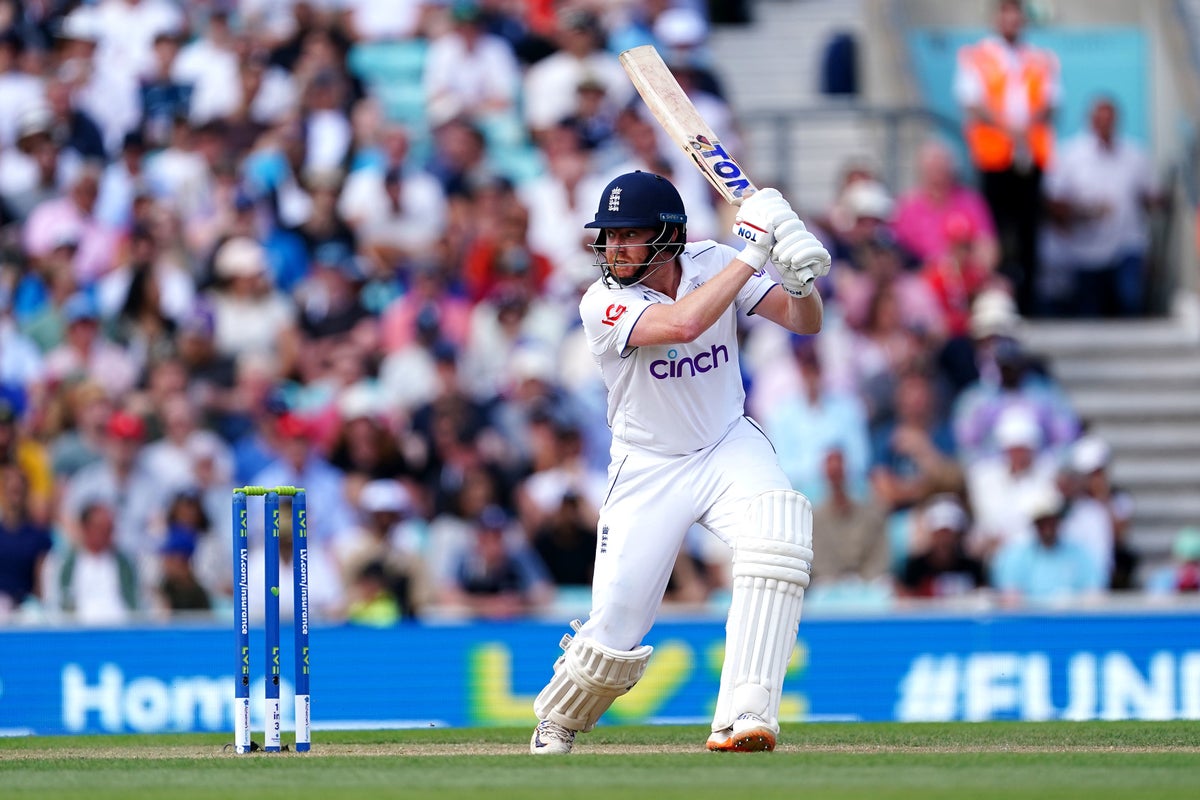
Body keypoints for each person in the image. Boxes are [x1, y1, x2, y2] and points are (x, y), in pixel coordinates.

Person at [527, 171, 831, 755]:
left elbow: (805, 323)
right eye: (608, 237)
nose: (613, 249)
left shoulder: (714, 259)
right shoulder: (601, 302)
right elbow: (683, 324)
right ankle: (558, 718)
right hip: (648, 465)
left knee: (779, 535)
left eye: (629, 236)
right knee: (616, 628)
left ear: (668, 238)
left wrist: (797, 280)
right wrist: (757, 250)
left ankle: (745, 712)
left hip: (726, 444)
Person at [954, 0, 1060, 315]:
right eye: (1005, 13)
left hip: (1030, 157)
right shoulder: (977, 56)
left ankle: (1028, 301)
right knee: (994, 230)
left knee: (1030, 232)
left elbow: (1051, 103)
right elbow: (973, 103)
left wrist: (1024, 130)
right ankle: (997, 299)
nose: (1011, 20)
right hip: (994, 158)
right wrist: (1010, 129)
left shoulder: (1041, 59)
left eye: (1016, 14)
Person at [1042, 96, 1163, 317]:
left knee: (1130, 300)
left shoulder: (1135, 155)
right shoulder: (1070, 155)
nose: (1105, 125)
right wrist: (1084, 212)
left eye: (1110, 119)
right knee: (1091, 312)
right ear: (1090, 121)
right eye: (1100, 119)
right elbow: (1053, 203)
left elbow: (1152, 196)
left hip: (1127, 243)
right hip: (1084, 251)